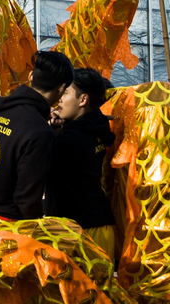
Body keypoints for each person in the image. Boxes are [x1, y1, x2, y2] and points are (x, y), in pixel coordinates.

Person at [0, 51, 74, 221]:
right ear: (61, 88)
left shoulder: (1, 111)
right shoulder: (39, 131)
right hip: (7, 227)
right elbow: (27, 198)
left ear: (31, 75)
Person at [44, 67, 116, 257]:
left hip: (79, 231)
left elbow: (40, 169)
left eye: (65, 92)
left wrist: (48, 133)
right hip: (98, 225)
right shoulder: (97, 128)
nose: (58, 98)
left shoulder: (72, 137)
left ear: (83, 100)